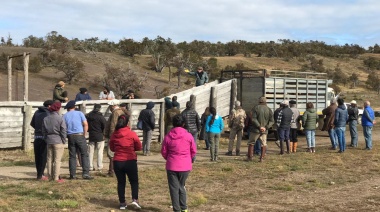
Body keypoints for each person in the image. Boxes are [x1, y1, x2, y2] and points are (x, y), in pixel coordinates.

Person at [161, 114, 197, 212]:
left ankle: (176, 209)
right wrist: (189, 159)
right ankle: (184, 208)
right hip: (185, 166)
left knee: (174, 188)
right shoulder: (188, 136)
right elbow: (193, 150)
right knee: (181, 186)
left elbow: (164, 151)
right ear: (184, 123)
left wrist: (169, 158)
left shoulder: (168, 136)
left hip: (172, 165)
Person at [109, 115, 142, 210]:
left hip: (118, 161)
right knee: (134, 181)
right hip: (130, 160)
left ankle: (122, 203)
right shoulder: (131, 134)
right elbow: (139, 147)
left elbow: (112, 148)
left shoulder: (114, 135)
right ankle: (135, 199)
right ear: (127, 123)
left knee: (121, 182)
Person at [63, 100, 93, 180]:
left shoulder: (65, 116)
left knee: (72, 156)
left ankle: (72, 174)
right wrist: (84, 133)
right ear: (74, 107)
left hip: (70, 136)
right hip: (79, 135)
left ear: (68, 108)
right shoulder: (80, 113)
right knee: (84, 154)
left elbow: (63, 127)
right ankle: (85, 173)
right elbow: (85, 124)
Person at [42, 102, 66, 183]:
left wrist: (46, 138)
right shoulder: (60, 118)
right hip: (58, 140)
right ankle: (56, 177)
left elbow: (43, 131)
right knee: (57, 160)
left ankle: (49, 176)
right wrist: (63, 140)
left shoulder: (46, 119)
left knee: (49, 159)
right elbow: (63, 130)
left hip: (49, 140)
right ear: (58, 109)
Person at [30, 99, 54, 180]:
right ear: (49, 106)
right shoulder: (48, 113)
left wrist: (37, 129)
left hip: (36, 136)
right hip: (44, 137)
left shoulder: (37, 112)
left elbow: (32, 123)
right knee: (43, 156)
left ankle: (39, 174)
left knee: (37, 156)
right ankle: (41, 175)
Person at [247, 96, 274, 162]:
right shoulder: (269, 109)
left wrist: (259, 126)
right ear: (265, 102)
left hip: (255, 130)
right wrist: (266, 127)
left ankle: (250, 157)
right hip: (264, 130)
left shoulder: (256, 108)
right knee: (263, 144)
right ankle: (262, 158)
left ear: (259, 101)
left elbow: (253, 119)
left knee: (251, 143)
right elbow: (272, 121)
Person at [105, 99, 127, 177]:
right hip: (122, 135)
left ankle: (112, 171)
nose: (110, 107)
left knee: (111, 154)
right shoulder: (122, 112)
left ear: (113, 106)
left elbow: (113, 125)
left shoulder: (115, 113)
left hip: (115, 135)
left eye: (110, 106)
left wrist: (111, 136)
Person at [86, 104, 106, 171]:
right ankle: (99, 166)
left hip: (91, 135)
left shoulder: (88, 116)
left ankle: (90, 166)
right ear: (99, 109)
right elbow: (105, 126)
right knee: (99, 152)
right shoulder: (101, 117)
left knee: (90, 152)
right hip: (100, 135)